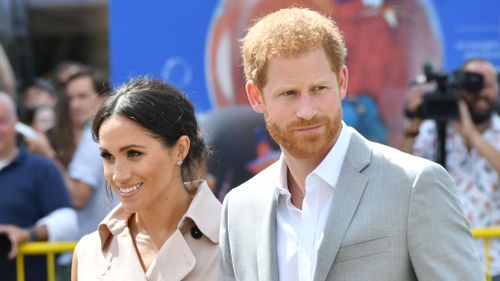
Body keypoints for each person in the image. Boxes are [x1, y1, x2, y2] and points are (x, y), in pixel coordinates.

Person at [219, 7, 484, 281]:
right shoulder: (239, 209)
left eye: (319, 89)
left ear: (342, 82)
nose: (307, 110)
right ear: (255, 97)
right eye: (289, 94)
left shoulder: (413, 186)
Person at [71, 78, 221, 280]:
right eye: (108, 156)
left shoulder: (236, 238)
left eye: (134, 154)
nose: (119, 175)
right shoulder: (90, 253)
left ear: (180, 149)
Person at [400, 58, 500, 278]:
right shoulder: (433, 129)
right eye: (473, 85)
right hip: (445, 263)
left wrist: (470, 134)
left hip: (493, 264)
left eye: (488, 85)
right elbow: (399, 175)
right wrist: (414, 122)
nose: (481, 93)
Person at [0, 92, 77, 281]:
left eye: (2, 121)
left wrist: (27, 235)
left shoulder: (41, 168)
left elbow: (67, 222)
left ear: (16, 123)